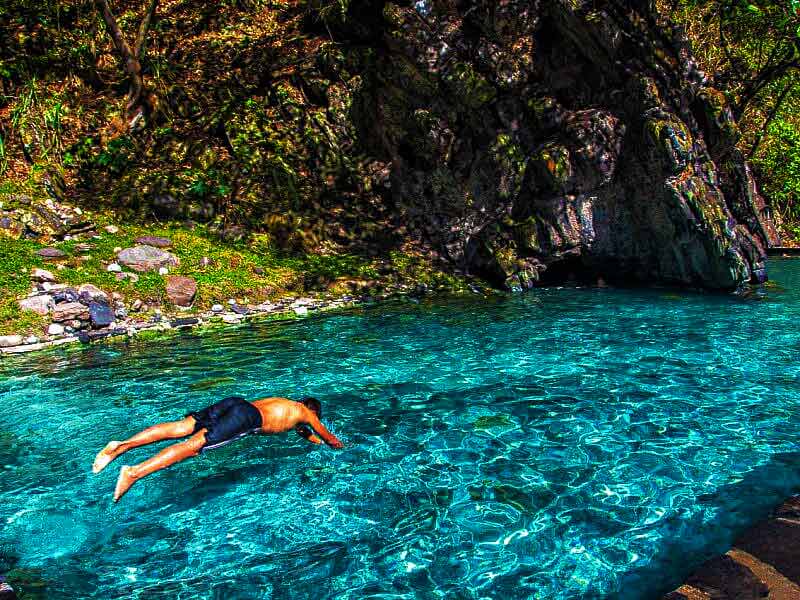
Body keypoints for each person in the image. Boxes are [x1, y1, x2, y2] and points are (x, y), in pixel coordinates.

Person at [92, 396, 344, 502]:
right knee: (192, 447)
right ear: (312, 411)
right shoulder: (307, 414)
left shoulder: (285, 405)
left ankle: (121, 446)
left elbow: (305, 434)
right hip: (246, 420)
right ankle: (134, 473)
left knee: (182, 427)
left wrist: (314, 442)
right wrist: (343, 448)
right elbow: (330, 439)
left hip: (236, 403)